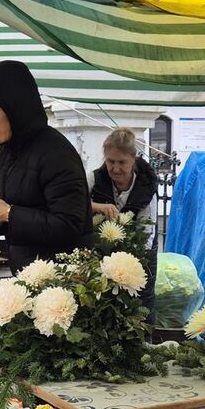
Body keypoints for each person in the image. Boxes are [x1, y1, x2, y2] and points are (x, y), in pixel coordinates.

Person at [0, 60, 91, 270]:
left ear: (16, 106)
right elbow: (25, 212)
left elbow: (69, 225)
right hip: (27, 275)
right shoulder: (8, 150)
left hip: (61, 281)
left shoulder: (55, 152)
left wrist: (7, 213)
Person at [90, 127, 160, 318]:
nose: (115, 168)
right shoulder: (94, 179)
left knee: (141, 300)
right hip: (101, 249)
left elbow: (147, 233)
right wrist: (98, 207)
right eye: (110, 161)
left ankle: (145, 341)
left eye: (122, 162)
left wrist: (127, 265)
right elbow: (75, 204)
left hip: (139, 252)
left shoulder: (147, 186)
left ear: (133, 160)